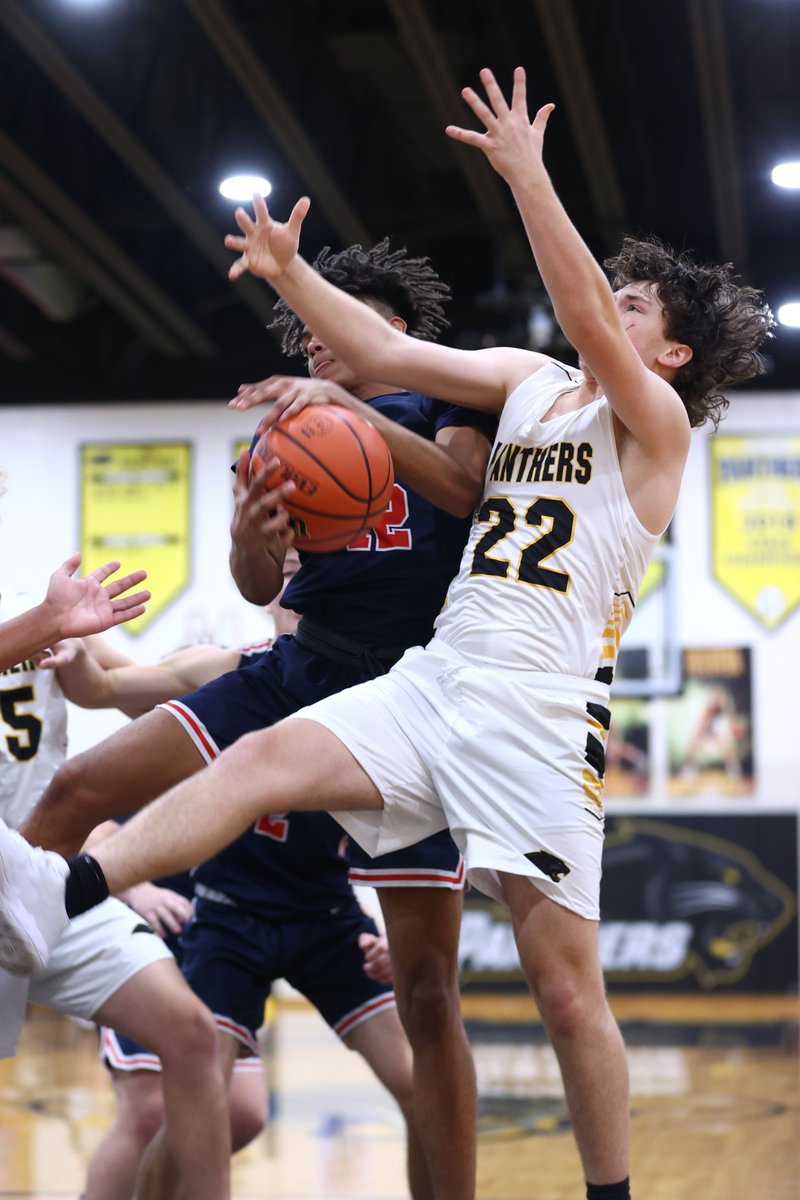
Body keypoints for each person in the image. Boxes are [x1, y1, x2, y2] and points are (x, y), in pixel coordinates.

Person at [0, 68, 774, 1200]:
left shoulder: (652, 425)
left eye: (634, 307)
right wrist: (291, 272)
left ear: (667, 357)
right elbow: (394, 358)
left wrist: (524, 175)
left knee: (565, 995)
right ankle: (63, 896)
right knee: (262, 755)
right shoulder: (524, 386)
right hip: (439, 674)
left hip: (544, 714)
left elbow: (570, 316)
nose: (611, 308)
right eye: (614, 293)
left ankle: (609, 1193)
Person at [8, 242, 493, 1199]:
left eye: (327, 325)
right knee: (80, 786)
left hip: (413, 699)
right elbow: (260, 585)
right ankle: (14, 933)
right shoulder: (283, 436)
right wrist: (245, 539)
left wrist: (354, 412)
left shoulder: (457, 400)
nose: (312, 346)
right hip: (302, 667)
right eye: (303, 335)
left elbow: (463, 491)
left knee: (430, 1000)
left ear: (387, 331)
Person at [71, 558, 434, 1200]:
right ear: (269, 593)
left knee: (419, 1082)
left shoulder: (381, 686)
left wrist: (391, 936)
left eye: (312, 569)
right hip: (229, 915)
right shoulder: (230, 669)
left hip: (328, 918)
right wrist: (72, 642)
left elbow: (411, 825)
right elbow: (103, 688)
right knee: (193, 1098)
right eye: (289, 571)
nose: (299, 588)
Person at [0, 589, 231, 1200]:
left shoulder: (38, 598)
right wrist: (43, 626)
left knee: (190, 1033)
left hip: (46, 871)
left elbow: (134, 693)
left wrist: (79, 660)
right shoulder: (43, 613)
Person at [0, 553, 149, 673]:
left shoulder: (35, 605)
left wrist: (56, 623)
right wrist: (48, 624)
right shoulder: (46, 614)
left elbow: (137, 699)